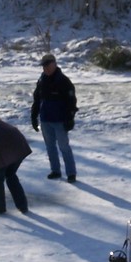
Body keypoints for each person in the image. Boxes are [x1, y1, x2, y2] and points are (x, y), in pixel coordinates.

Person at [30, 53, 78, 183]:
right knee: (50, 147)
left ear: (54, 64)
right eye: (44, 66)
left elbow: (71, 102)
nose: (45, 68)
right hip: (45, 119)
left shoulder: (64, 81)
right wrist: (34, 116)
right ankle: (55, 170)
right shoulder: (41, 81)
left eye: (48, 65)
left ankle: (71, 173)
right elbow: (36, 100)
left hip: (60, 120)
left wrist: (70, 118)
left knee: (64, 147)